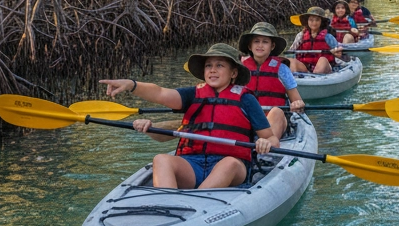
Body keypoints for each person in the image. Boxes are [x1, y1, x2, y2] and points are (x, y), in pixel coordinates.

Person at [100, 43, 276, 189]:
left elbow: (271, 139)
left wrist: (265, 142)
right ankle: (166, 203)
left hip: (232, 167)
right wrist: (132, 85)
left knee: (229, 163)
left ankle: (198, 202)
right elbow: (161, 93)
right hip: (193, 164)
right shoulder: (193, 94)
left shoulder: (246, 100)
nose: (212, 70)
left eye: (219, 65)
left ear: (233, 73)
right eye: (209, 66)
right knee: (161, 159)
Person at [239, 22, 304, 139]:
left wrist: (297, 104)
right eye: (256, 41)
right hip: (247, 120)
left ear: (272, 46)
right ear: (250, 46)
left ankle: (268, 145)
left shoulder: (281, 69)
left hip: (273, 121)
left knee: (277, 112)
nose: (260, 45)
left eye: (265, 42)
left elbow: (296, 99)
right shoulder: (240, 68)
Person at [288, 7, 341, 74]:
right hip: (306, 67)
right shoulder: (300, 36)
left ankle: (315, 78)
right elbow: (290, 52)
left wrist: (337, 53)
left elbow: (341, 55)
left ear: (321, 22)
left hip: (324, 68)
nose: (314, 23)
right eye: (311, 20)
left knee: (322, 60)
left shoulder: (328, 37)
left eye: (317, 20)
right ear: (307, 21)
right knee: (290, 61)